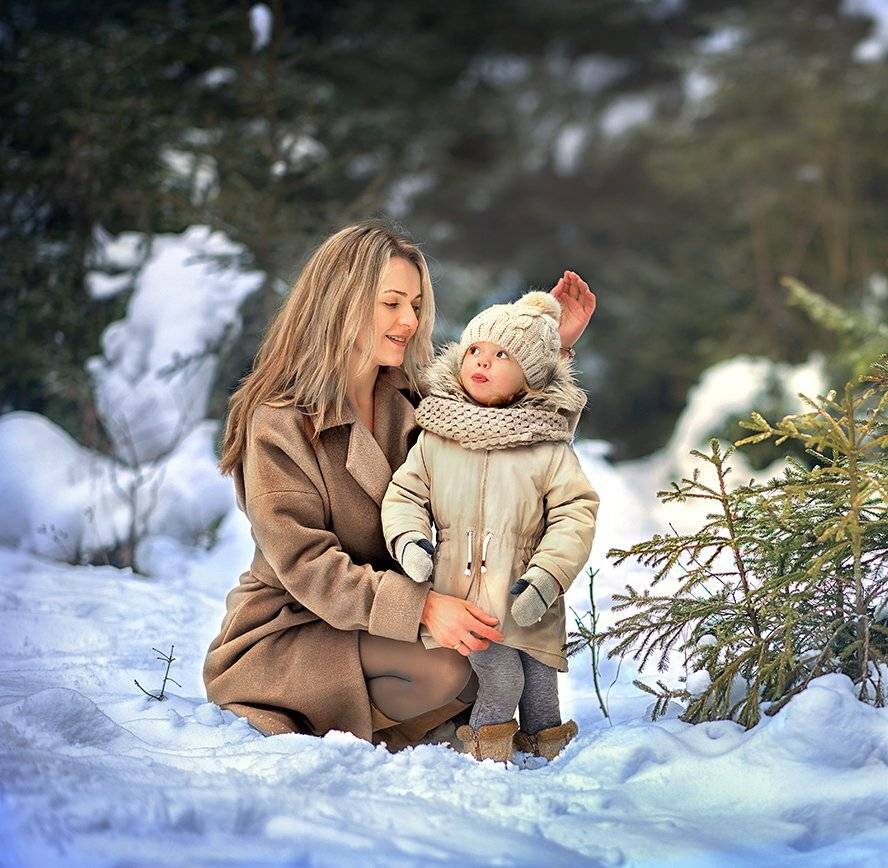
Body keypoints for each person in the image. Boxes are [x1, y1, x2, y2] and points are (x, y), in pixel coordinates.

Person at [202, 220, 596, 750]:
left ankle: (418, 715)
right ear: (341, 302)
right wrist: (423, 609)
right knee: (453, 672)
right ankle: (401, 717)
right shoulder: (279, 419)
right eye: (391, 303)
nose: (409, 320)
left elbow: (517, 454)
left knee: (499, 658)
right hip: (295, 626)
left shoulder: (416, 399)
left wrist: (542, 351)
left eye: (414, 304)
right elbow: (305, 563)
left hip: (386, 620)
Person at [381, 291, 599, 763]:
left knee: (540, 681)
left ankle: (548, 754)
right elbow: (405, 494)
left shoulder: (546, 446)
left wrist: (547, 576)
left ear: (530, 378)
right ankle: (487, 751)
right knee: (504, 678)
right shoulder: (438, 434)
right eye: (475, 350)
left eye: (502, 356)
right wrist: (410, 541)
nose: (482, 361)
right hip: (466, 596)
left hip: (527, 590)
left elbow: (574, 512)